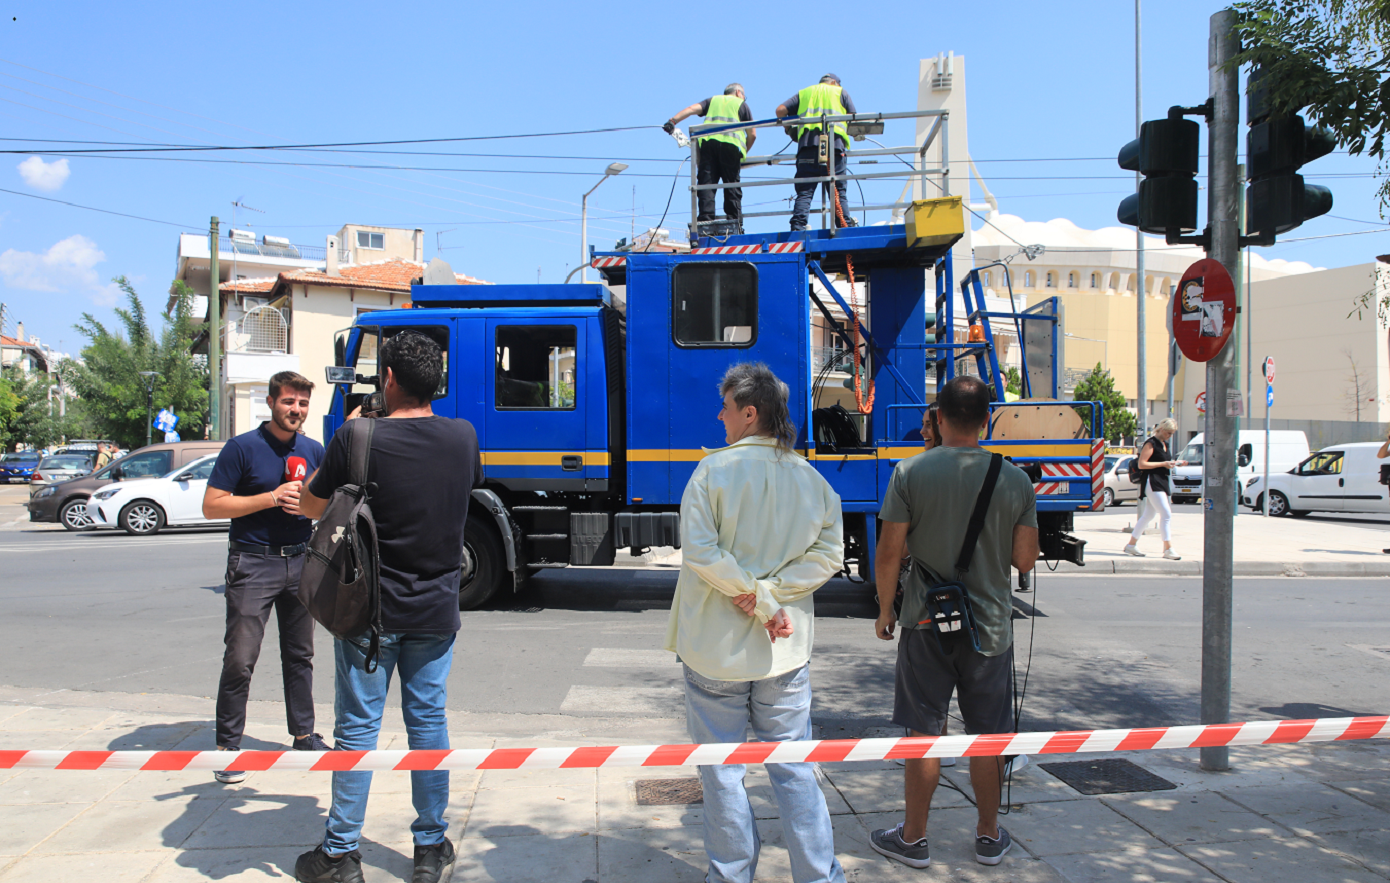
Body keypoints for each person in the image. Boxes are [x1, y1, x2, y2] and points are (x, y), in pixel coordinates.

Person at [294, 331, 483, 883]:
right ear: (438, 382)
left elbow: (312, 505)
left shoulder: (356, 435)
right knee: (428, 724)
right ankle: (429, 848)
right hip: (436, 611)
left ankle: (340, 853)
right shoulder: (463, 437)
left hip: (367, 616)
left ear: (389, 379)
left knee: (357, 729)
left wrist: (360, 429)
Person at [667, 361, 847, 883]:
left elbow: (701, 553)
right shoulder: (812, 481)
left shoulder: (712, 472)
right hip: (784, 656)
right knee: (794, 770)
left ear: (749, 413)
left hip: (714, 652)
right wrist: (771, 598)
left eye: (726, 407)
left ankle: (731, 874)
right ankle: (818, 875)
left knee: (722, 774)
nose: (719, 416)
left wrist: (753, 596)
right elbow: (828, 554)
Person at [870, 376, 1039, 870]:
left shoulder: (910, 472)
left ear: (938, 418)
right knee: (988, 736)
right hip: (989, 628)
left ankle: (914, 838)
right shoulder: (1015, 479)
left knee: (924, 732)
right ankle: (988, 835)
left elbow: (888, 552)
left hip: (925, 622)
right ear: (987, 420)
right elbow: (1025, 561)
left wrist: (886, 609)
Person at [203, 372, 328, 785]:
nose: (296, 410)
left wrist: (309, 508)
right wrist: (271, 498)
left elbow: (325, 505)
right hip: (252, 563)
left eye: (303, 404)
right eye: (289, 402)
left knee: (300, 656)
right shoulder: (242, 448)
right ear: (272, 402)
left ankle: (304, 735)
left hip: (299, 560)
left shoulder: (313, 450)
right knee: (240, 658)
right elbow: (212, 506)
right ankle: (227, 746)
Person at [666, 84, 756, 231]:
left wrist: (672, 121)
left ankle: (705, 222)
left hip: (708, 146)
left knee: (706, 184)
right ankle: (734, 222)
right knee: (731, 185)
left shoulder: (713, 101)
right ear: (739, 93)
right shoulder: (741, 105)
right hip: (730, 148)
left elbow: (691, 109)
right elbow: (753, 134)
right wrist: (743, 151)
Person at [775, 74, 859, 232]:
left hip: (808, 147)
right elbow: (854, 119)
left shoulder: (805, 93)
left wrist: (789, 129)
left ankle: (798, 227)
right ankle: (844, 227)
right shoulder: (840, 93)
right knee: (837, 191)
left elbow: (780, 111)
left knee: (805, 191)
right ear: (834, 83)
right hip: (834, 147)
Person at [1124, 418, 1185, 560]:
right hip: (1153, 481)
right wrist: (1163, 463)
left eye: (1172, 433)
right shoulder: (1151, 443)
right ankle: (1168, 548)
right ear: (1162, 430)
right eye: (1169, 432)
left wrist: (1173, 464)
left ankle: (1131, 545)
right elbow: (1142, 464)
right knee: (1166, 514)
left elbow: (1161, 462)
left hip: (1162, 480)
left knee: (1148, 515)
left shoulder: (1165, 444)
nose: (1170, 435)